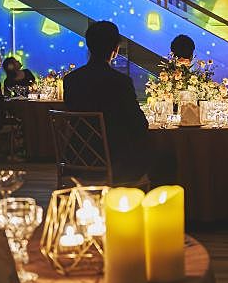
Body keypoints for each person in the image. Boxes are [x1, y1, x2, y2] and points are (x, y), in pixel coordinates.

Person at [64, 21, 169, 185]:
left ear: (89, 46)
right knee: (165, 157)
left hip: (77, 157)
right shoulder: (120, 82)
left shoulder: (71, 80)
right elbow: (139, 124)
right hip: (117, 161)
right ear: (115, 49)